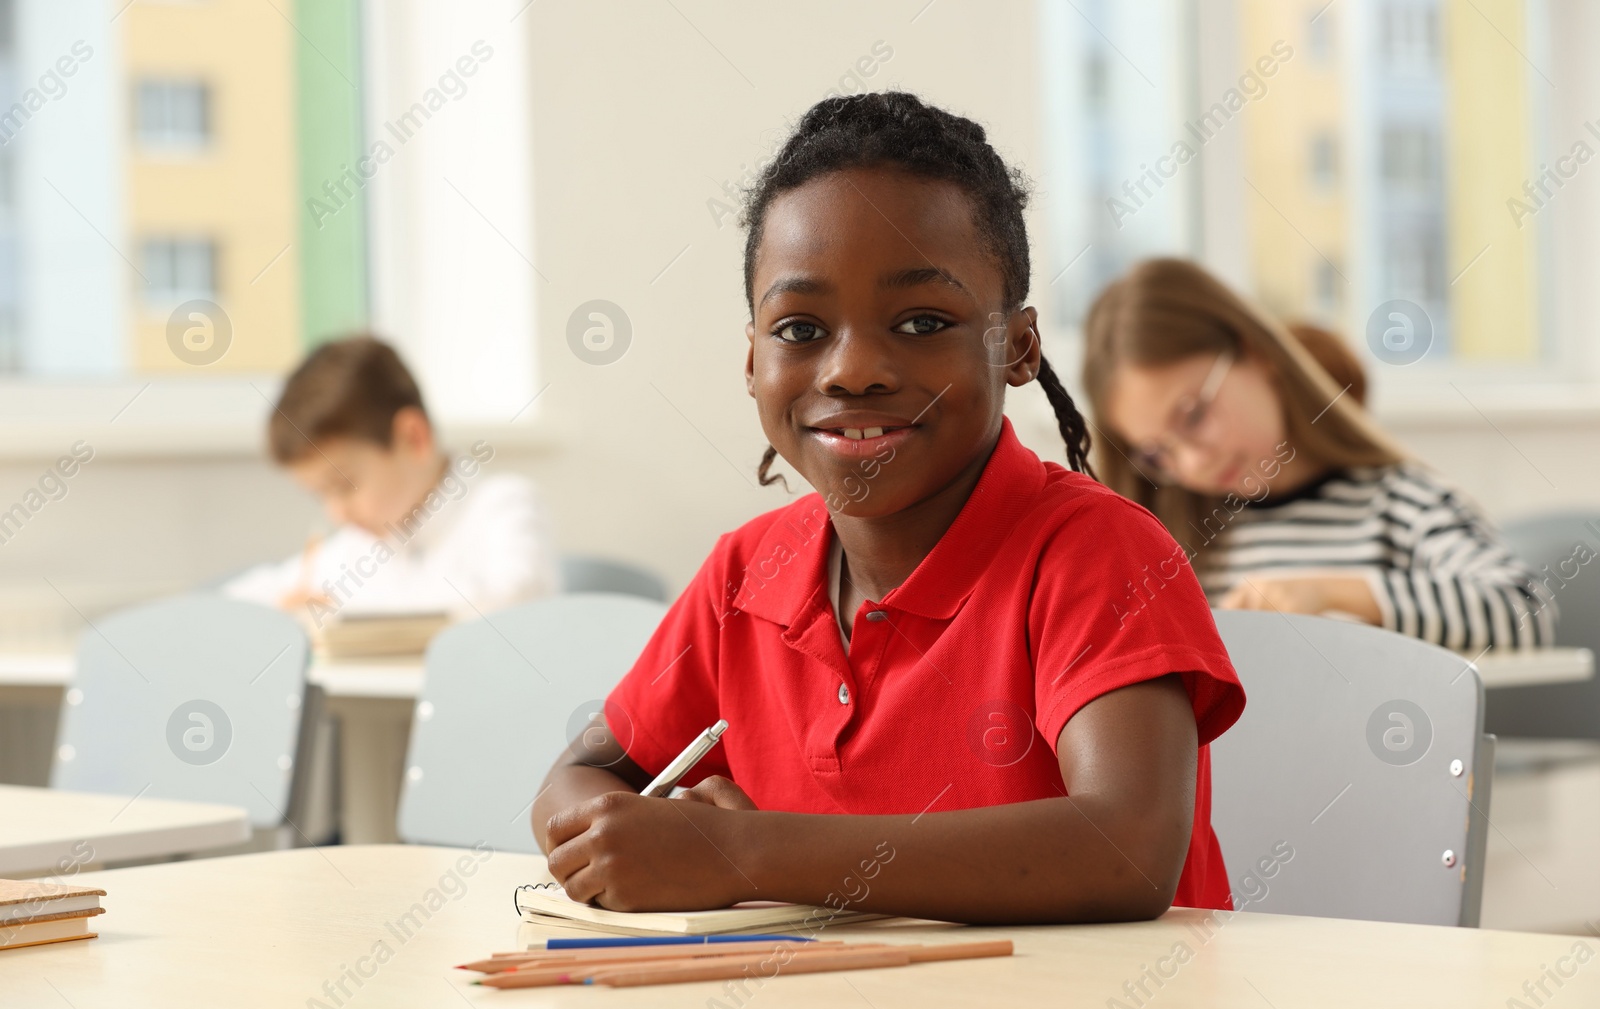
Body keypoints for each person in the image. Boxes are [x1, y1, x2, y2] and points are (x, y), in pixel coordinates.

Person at [530, 92, 1246, 924]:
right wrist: (622, 832)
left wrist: (743, 855)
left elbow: (1125, 846)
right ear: (753, 360)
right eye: (800, 329)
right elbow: (574, 782)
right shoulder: (744, 573)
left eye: (920, 320)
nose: (854, 370)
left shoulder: (1097, 552)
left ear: (1016, 347)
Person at [1082, 257, 1553, 651]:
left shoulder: (1399, 503)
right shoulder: (1178, 546)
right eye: (1158, 453)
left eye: (1192, 417)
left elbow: (1526, 611)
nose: (1192, 463)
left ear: (1256, 353)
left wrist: (1333, 593)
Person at [225, 336, 558, 623]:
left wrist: (344, 611)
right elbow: (247, 596)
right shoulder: (360, 545)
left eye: (343, 486)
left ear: (414, 438)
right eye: (321, 496)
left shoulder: (503, 504)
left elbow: (515, 598)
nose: (336, 514)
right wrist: (282, 612)